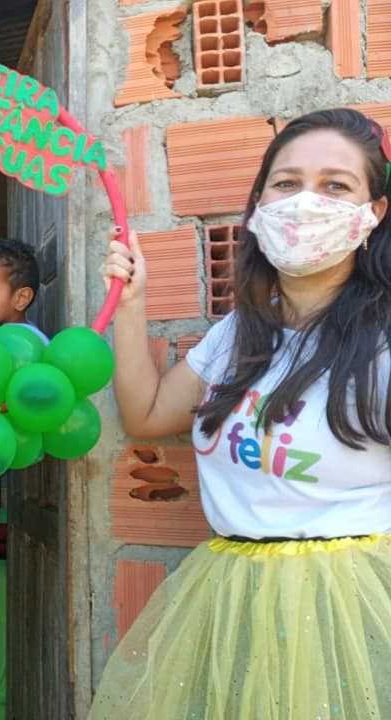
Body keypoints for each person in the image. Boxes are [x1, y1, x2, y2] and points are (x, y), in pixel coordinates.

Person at [90, 108, 391, 719]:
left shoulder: (383, 341)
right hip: (233, 597)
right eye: (286, 183)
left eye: (336, 185)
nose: (306, 202)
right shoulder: (238, 333)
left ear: (373, 213)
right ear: (258, 207)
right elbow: (147, 415)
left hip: (351, 609)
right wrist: (132, 304)